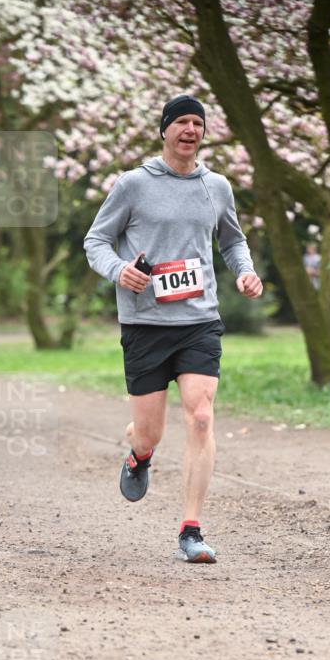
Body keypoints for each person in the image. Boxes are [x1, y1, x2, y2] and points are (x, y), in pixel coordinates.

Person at [84, 94, 263, 564]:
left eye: (197, 123)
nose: (190, 130)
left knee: (201, 416)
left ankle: (191, 529)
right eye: (180, 121)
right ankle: (139, 454)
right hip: (145, 323)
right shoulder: (133, 185)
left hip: (199, 320)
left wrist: (244, 271)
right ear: (164, 130)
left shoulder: (217, 186)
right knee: (150, 433)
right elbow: (96, 239)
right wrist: (120, 270)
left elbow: (233, 240)